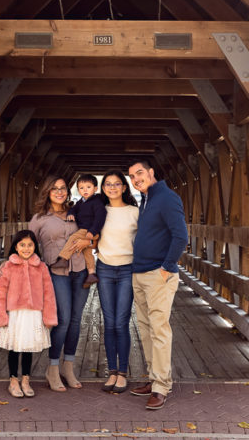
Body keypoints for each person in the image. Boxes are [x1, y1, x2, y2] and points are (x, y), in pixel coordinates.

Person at [127, 159, 189, 410]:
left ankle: (162, 386)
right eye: (131, 176)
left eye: (139, 173)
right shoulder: (147, 199)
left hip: (157, 274)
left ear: (151, 172)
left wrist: (167, 267)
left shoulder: (166, 197)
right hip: (139, 272)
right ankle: (154, 379)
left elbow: (181, 235)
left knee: (159, 329)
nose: (136, 178)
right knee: (145, 328)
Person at [29, 173, 92, 392]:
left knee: (76, 320)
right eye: (54, 188)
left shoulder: (76, 213)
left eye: (63, 188)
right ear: (47, 191)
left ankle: (68, 367)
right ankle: (53, 368)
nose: (59, 192)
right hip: (56, 272)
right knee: (63, 319)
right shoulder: (39, 219)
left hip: (81, 271)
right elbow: (26, 244)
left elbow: (94, 231)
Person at [0, 229, 57, 398]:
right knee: (15, 347)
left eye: (30, 245)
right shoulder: (8, 266)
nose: (26, 248)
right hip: (15, 313)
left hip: (34, 313)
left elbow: (49, 293)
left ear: (35, 246)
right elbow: (0, 293)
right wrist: (1, 316)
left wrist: (49, 316)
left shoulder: (41, 267)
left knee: (28, 347)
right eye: (22, 245)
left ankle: (26, 379)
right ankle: (13, 380)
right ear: (15, 247)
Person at [95, 169, 139, 394]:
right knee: (108, 322)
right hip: (104, 268)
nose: (112, 187)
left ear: (124, 187)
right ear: (103, 189)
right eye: (108, 184)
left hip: (127, 270)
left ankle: (122, 373)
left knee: (121, 322)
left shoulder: (135, 212)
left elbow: (147, 240)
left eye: (117, 184)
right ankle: (111, 371)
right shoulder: (98, 211)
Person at [54, 173, 107, 288]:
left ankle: (63, 258)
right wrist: (71, 214)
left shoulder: (97, 202)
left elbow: (100, 218)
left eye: (88, 187)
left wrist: (92, 232)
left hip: (89, 229)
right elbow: (74, 209)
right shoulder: (81, 201)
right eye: (81, 188)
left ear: (95, 189)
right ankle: (91, 273)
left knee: (73, 238)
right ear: (78, 190)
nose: (85, 190)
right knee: (86, 251)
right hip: (85, 229)